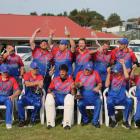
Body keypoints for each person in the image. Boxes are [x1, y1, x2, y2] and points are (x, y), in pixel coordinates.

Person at [45, 64, 75, 129]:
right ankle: (50, 123)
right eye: (61, 71)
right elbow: (49, 89)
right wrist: (51, 92)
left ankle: (67, 123)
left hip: (65, 98)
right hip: (56, 98)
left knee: (70, 97)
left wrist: (73, 88)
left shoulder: (70, 80)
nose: (61, 73)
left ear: (66, 72)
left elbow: (73, 94)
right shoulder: (55, 79)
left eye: (63, 71)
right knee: (49, 97)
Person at [105, 59, 133, 129]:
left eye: (117, 72)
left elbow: (127, 77)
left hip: (122, 98)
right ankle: (114, 120)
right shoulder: (111, 76)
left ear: (121, 71)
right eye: (114, 71)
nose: (115, 73)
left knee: (129, 101)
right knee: (109, 102)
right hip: (112, 97)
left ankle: (125, 121)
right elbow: (106, 85)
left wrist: (123, 64)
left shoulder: (123, 76)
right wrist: (108, 73)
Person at [75, 62, 102, 128]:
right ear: (84, 68)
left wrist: (98, 87)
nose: (87, 71)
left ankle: (95, 121)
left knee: (99, 102)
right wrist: (78, 84)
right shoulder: (79, 74)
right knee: (80, 104)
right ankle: (85, 119)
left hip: (94, 96)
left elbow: (100, 83)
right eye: (86, 69)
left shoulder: (95, 73)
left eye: (89, 70)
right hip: (83, 97)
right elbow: (75, 85)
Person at [17, 60, 44, 127]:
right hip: (27, 96)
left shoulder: (40, 76)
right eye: (34, 68)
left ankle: (32, 120)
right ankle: (22, 120)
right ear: (31, 69)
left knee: (38, 104)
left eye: (36, 68)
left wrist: (39, 85)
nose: (36, 70)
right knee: (19, 102)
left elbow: (41, 84)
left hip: (36, 96)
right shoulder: (27, 75)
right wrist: (36, 83)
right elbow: (27, 84)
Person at [0, 64, 21, 129]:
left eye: (6, 72)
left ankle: (8, 123)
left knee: (9, 103)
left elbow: (18, 91)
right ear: (1, 72)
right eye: (4, 72)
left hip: (7, 97)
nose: (5, 73)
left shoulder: (12, 79)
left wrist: (13, 96)